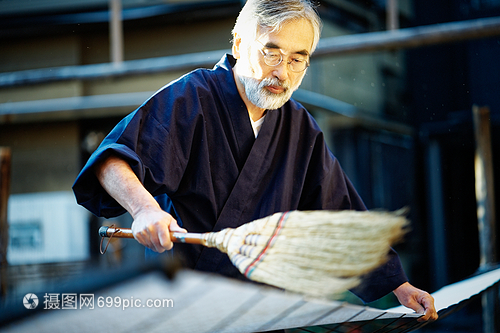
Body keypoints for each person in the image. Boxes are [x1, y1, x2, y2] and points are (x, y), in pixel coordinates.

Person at [73, 0, 438, 322]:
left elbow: (340, 216)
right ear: (239, 43)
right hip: (184, 304)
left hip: (265, 313)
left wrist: (399, 286)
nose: (283, 72)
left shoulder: (300, 127)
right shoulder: (193, 97)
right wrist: (145, 211)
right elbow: (112, 161)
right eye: (271, 53)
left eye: (298, 59)